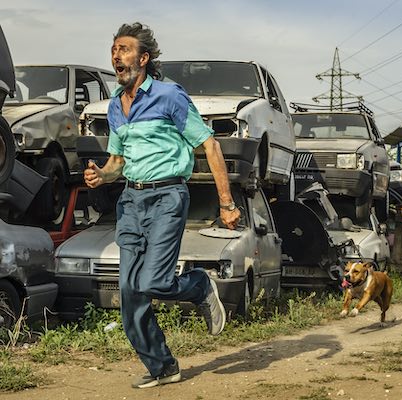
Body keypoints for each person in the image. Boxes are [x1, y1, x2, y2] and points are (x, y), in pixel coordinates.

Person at [84, 23, 241, 389]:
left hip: (167, 197)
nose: (116, 56)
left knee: (154, 281)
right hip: (131, 202)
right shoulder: (115, 108)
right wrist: (101, 176)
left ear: (143, 58)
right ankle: (163, 367)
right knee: (130, 292)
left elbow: (210, 145)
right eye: (113, 50)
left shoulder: (169, 96)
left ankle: (200, 285)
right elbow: (117, 163)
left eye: (123, 49)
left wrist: (227, 203)